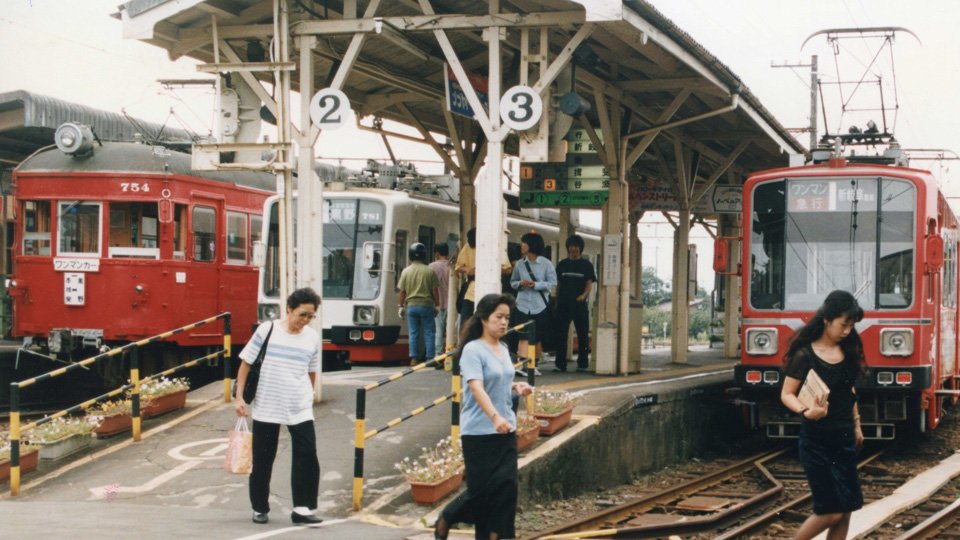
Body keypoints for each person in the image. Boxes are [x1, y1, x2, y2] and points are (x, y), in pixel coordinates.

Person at [435, 294, 534, 540]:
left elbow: (500, 380)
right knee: (483, 492)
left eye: (507, 318)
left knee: (507, 490)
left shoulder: (503, 348)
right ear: (484, 318)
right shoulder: (472, 350)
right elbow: (477, 387)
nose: (503, 323)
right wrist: (494, 417)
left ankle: (497, 536)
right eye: (498, 317)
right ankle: (449, 515)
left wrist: (516, 387)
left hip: (505, 430)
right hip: (479, 432)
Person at [234, 287, 323, 526]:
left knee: (307, 454)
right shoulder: (268, 330)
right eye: (302, 314)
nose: (305, 321)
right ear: (290, 309)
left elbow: (311, 372)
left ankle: (302, 509)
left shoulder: (312, 338)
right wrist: (239, 398)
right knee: (264, 458)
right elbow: (245, 365)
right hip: (268, 403)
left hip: (299, 405)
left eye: (310, 316)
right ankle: (260, 507)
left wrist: (309, 396)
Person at [780, 290, 865, 540]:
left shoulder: (847, 353)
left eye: (851, 325)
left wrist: (857, 425)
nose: (848, 330)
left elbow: (849, 392)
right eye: (844, 324)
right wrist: (807, 412)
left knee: (847, 509)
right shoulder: (804, 355)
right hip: (817, 442)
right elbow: (787, 394)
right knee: (830, 512)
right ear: (827, 319)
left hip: (844, 439)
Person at [510, 231, 557, 376]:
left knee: (537, 337)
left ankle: (533, 365)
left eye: (524, 242)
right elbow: (512, 282)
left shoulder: (546, 264)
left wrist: (535, 285)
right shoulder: (519, 264)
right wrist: (520, 284)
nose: (521, 245)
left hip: (540, 305)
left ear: (531, 245)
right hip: (522, 303)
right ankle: (523, 364)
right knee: (523, 335)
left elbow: (552, 283)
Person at [554, 234, 596, 372]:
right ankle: (560, 364)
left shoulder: (586, 265)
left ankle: (582, 364)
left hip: (579, 304)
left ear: (581, 249)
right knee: (561, 334)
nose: (573, 249)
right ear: (568, 248)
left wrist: (583, 296)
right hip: (563, 303)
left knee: (583, 334)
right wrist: (556, 299)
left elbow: (589, 283)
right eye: (571, 246)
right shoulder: (562, 264)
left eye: (576, 247)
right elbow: (558, 284)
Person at [398, 242, 441, 365]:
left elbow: (402, 292)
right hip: (426, 305)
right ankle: (430, 358)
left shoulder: (405, 272)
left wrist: (400, 306)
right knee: (429, 331)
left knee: (413, 332)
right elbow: (435, 291)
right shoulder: (429, 271)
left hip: (411, 306)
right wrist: (437, 305)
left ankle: (414, 358)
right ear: (424, 255)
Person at [429, 243, 451, 364]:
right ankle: (450, 353)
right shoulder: (451, 266)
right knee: (450, 331)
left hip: (437, 303)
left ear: (437, 253)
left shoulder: (431, 267)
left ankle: (438, 355)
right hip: (451, 304)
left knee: (438, 330)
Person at [455, 228, 478, 329]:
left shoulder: (491, 246)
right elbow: (458, 267)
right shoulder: (467, 247)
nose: (469, 241)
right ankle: (464, 343)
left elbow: (507, 269)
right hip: (470, 289)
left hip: (485, 288)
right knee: (465, 321)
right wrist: (468, 269)